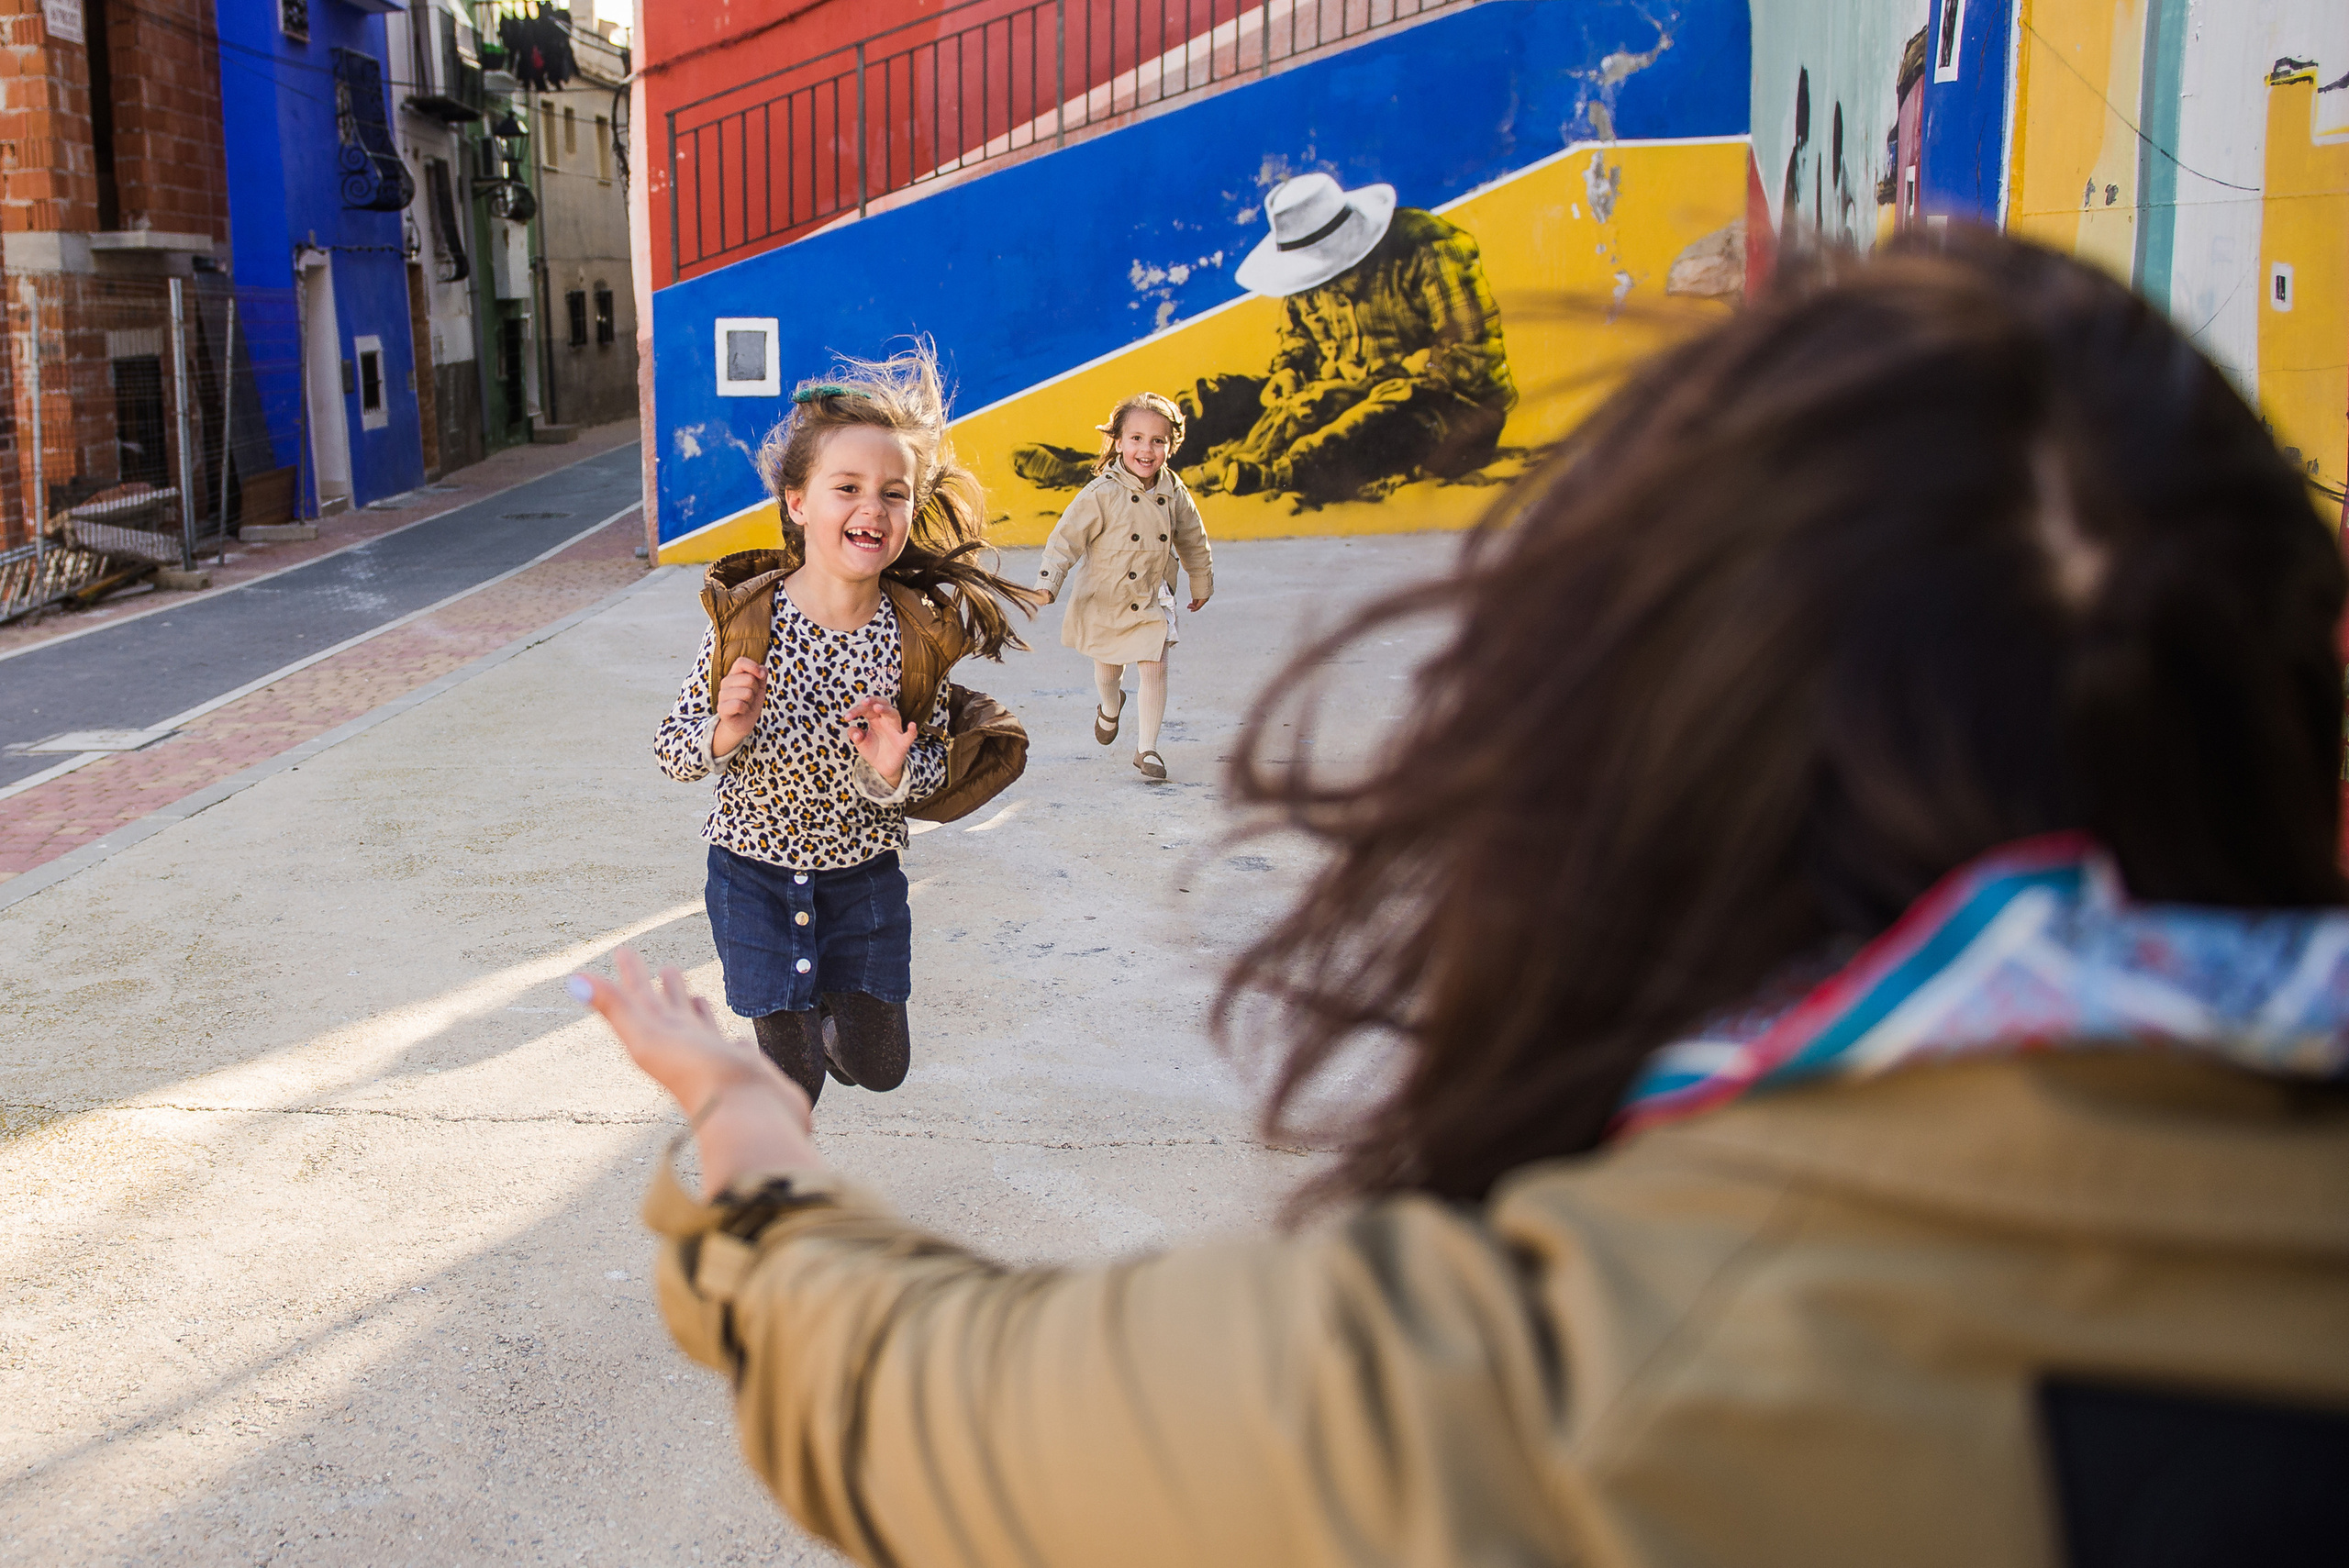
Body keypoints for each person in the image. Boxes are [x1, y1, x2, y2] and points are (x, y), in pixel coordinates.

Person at [586, 231, 2349, 1565]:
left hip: (853, 892)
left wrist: (745, 1137)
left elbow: (912, 1386)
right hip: (772, 859)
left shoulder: (1532, 1379)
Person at [651, 347, 1034, 1109]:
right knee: (794, 1087)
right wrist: (726, 730)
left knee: (879, 1063)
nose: (874, 507)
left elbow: (925, 772)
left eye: (895, 492)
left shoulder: (914, 635)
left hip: (862, 878)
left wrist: (894, 766)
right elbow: (671, 749)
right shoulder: (748, 620)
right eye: (848, 487)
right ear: (797, 501)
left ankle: (828, 1012)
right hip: (753, 875)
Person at [1033, 392, 1214, 781]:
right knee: (1108, 671)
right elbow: (1065, 539)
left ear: (1170, 446)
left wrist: (1200, 579)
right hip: (1107, 597)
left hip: (1151, 596)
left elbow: (1193, 538)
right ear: (1118, 442)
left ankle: (1147, 748)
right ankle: (1110, 707)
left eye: (1157, 441)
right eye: (1136, 438)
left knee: (1155, 667)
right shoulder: (1101, 493)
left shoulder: (1173, 492)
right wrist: (1049, 583)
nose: (1146, 450)